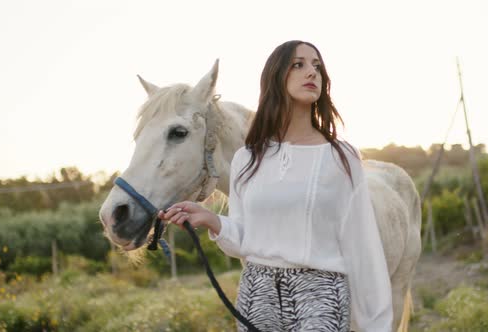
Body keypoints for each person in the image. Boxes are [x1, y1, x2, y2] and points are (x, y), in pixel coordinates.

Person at [158, 40, 392, 331]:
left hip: (319, 295)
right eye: (299, 64)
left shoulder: (341, 157)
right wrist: (213, 220)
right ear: (275, 77)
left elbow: (362, 245)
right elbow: (247, 240)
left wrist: (376, 325)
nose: (312, 73)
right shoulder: (248, 158)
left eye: (317, 66)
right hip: (257, 294)